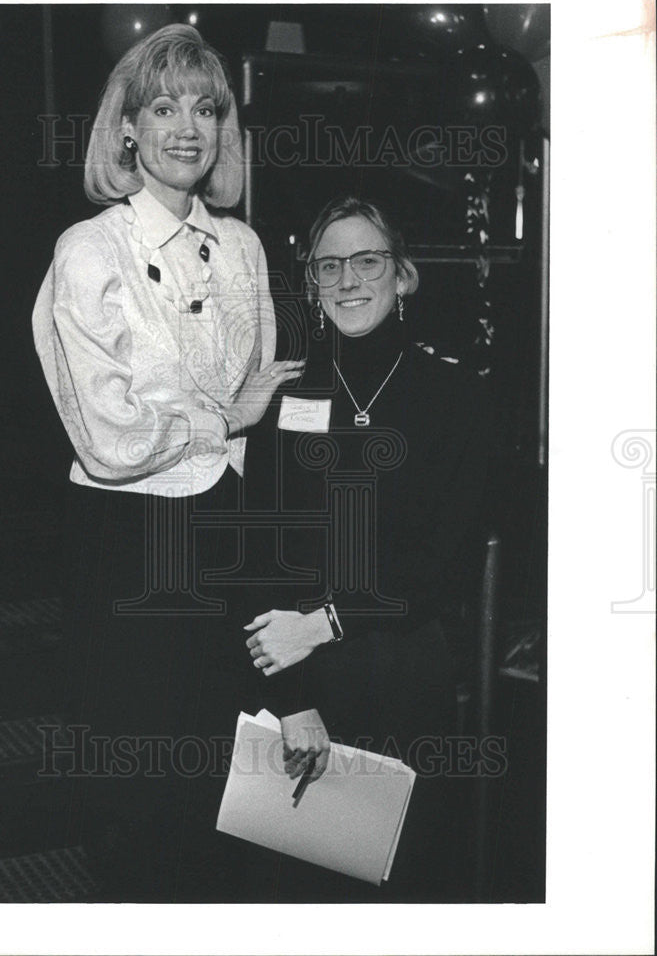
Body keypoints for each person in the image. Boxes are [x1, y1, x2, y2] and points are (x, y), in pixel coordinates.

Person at [32, 23, 302, 902]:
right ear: (126, 130)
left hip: (224, 525)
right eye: (163, 105)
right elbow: (108, 439)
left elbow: (254, 418)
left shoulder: (246, 248)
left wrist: (226, 430)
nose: (187, 126)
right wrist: (218, 420)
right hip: (126, 539)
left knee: (225, 778)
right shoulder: (88, 249)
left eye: (206, 108)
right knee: (137, 787)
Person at [240, 195, 490, 902]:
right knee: (299, 892)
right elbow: (257, 555)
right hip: (299, 673)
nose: (348, 279)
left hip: (403, 663)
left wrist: (320, 624)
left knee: (402, 886)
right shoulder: (288, 395)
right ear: (313, 288)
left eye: (367, 260)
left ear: (402, 275)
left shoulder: (454, 395)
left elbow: (445, 562)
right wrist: (287, 700)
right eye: (329, 266)